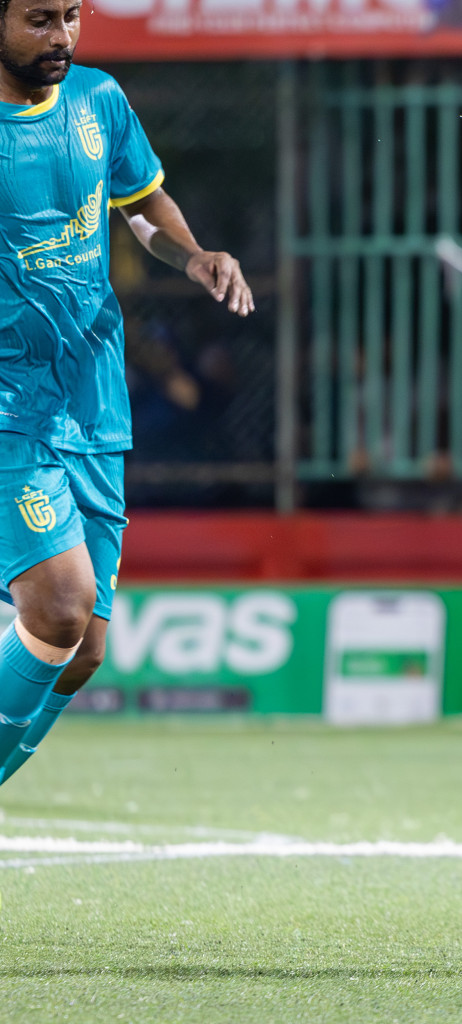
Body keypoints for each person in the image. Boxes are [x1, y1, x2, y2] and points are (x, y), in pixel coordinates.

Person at [0, 0, 252, 783]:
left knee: (82, 653)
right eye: (41, 19)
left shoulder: (98, 99)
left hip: (93, 400)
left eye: (72, 16)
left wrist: (194, 256)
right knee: (61, 605)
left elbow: (139, 204)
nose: (63, 37)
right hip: (11, 404)